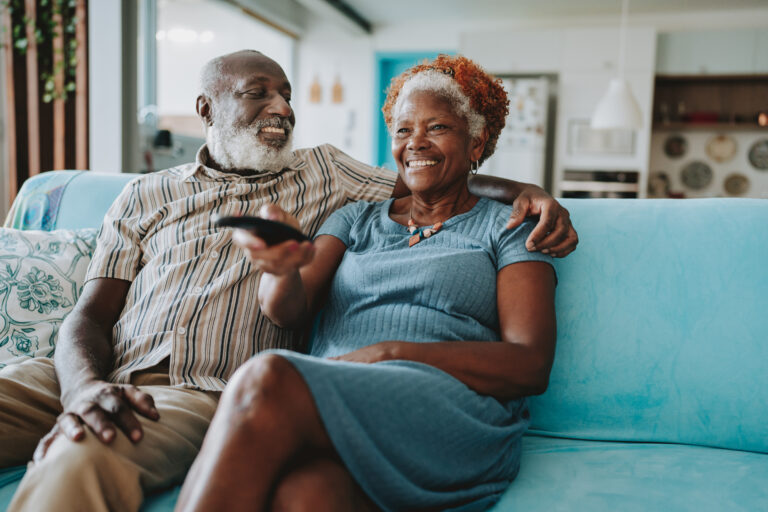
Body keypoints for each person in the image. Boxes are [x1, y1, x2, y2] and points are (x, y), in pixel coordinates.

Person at [0, 50, 574, 511]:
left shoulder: (326, 173)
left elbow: (436, 180)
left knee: (85, 451)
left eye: (287, 95)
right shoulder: (149, 193)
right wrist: (81, 389)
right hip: (91, 371)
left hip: (206, 388)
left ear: (475, 142)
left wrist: (532, 193)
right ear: (206, 106)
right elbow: (94, 315)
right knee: (308, 495)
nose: (281, 107)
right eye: (258, 93)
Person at [177, 54, 558, 512]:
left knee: (268, 377)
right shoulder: (356, 218)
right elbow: (288, 310)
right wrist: (279, 270)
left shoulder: (510, 227)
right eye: (403, 130)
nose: (415, 142)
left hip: (448, 410)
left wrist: (391, 353)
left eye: (437, 127)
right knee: (306, 497)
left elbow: (529, 365)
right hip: (347, 399)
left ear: (476, 143)